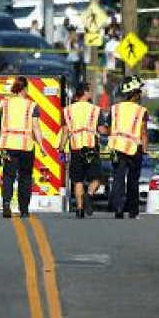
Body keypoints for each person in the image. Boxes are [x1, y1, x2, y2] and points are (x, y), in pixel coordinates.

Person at [59, 83, 107, 218]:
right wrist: (111, 132)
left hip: (75, 148)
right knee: (96, 178)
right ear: (85, 93)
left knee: (78, 180)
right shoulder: (95, 110)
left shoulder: (68, 110)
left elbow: (65, 132)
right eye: (90, 91)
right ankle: (89, 195)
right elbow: (101, 130)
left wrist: (61, 148)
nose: (91, 93)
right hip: (90, 147)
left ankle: (80, 210)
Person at [0, 76, 44, 218]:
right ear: (24, 89)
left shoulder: (5, 105)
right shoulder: (31, 106)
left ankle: (6, 204)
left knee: (8, 176)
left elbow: (0, 123)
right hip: (26, 146)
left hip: (8, 146)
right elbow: (36, 128)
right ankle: (24, 209)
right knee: (25, 177)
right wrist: (41, 145)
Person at [108, 76, 148, 219]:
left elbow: (109, 129)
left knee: (118, 179)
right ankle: (133, 211)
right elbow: (143, 132)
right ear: (135, 93)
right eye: (139, 91)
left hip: (117, 147)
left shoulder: (115, 109)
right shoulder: (141, 111)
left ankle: (118, 209)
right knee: (133, 180)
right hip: (134, 148)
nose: (140, 94)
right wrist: (145, 149)